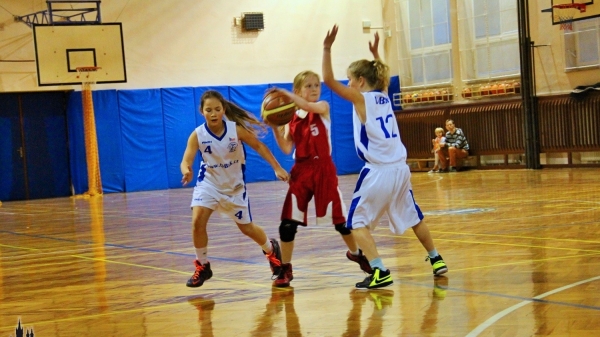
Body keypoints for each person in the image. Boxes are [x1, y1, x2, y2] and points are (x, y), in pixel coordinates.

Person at [322, 25, 448, 289]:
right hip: (400, 169)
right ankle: (436, 258)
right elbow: (384, 79)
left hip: (378, 170)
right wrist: (376, 53)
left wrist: (327, 48)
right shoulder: (383, 97)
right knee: (414, 216)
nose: (347, 83)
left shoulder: (361, 99)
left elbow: (330, 82)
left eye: (350, 79)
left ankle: (379, 270)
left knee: (356, 223)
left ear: (359, 81)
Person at [266, 71, 371, 288]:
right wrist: (274, 127)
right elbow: (286, 148)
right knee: (287, 225)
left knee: (341, 223)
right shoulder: (291, 118)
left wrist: (286, 95)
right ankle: (285, 268)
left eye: (316, 85)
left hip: (323, 169)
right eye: (308, 86)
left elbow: (310, 107)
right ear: (298, 90)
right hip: (302, 171)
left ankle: (356, 254)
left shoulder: (323, 106)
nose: (314, 89)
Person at [180, 90, 290, 288]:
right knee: (197, 221)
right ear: (201, 112)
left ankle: (270, 250)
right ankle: (202, 265)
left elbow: (259, 146)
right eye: (208, 110)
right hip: (209, 184)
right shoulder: (197, 135)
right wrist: (186, 170)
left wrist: (277, 167)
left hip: (234, 188)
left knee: (247, 229)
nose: (213, 113)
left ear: (223, 110)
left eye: (217, 109)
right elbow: (186, 159)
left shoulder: (235, 130)